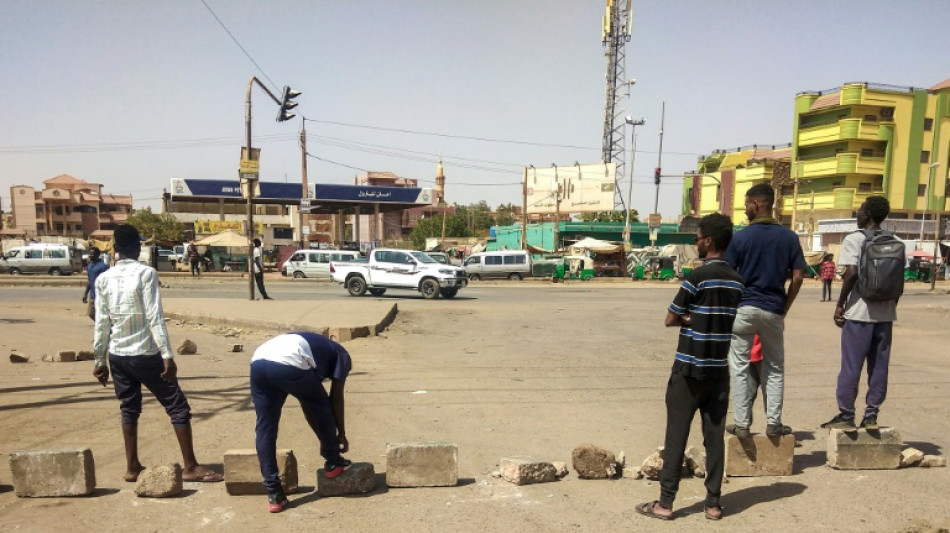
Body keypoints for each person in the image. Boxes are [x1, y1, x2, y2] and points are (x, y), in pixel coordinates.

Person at [91, 224, 223, 484]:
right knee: (177, 407)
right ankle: (190, 466)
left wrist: (99, 360)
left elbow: (101, 321)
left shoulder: (103, 278)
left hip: (117, 355)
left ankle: (131, 466)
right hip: (146, 353)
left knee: (129, 408)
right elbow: (154, 317)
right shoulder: (146, 273)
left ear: (115, 249)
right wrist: (167, 355)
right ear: (137, 247)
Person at [636, 213, 743, 522]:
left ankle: (665, 503)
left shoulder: (696, 278)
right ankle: (713, 504)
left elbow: (671, 318)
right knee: (714, 437)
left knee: (676, 436)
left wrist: (689, 319)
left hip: (688, 370)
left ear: (708, 241)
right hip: (718, 371)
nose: (695, 242)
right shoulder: (737, 281)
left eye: (697, 237)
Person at [724, 183, 806, 438]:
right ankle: (774, 423)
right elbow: (799, 277)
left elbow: (729, 276)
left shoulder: (740, 238)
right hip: (773, 309)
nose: (746, 209)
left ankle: (741, 424)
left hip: (744, 308)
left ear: (757, 204)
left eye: (747, 204)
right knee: (775, 368)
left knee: (738, 367)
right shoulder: (789, 237)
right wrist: (785, 306)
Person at [251, 332, 352, 513]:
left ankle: (274, 494)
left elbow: (307, 404)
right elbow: (335, 399)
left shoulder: (314, 347)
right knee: (323, 406)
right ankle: (333, 463)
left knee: (265, 428)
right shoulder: (342, 355)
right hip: (289, 363)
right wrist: (340, 435)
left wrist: (324, 438)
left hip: (258, 362)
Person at [821, 196, 898, 431]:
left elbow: (852, 273)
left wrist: (840, 303)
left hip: (859, 315)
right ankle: (871, 415)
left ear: (869, 215)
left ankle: (846, 414)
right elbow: (897, 282)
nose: (858, 213)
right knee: (879, 366)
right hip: (885, 316)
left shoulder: (854, 240)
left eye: (861, 210)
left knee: (851, 366)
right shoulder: (895, 241)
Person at [81, 247, 109, 320]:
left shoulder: (103, 267)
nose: (89, 256)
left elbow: (107, 282)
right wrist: (85, 293)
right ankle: (103, 325)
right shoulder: (89, 266)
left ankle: (104, 326)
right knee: (91, 313)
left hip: (101, 295)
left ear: (97, 255)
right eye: (89, 254)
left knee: (102, 313)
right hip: (92, 295)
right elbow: (89, 280)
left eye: (91, 254)